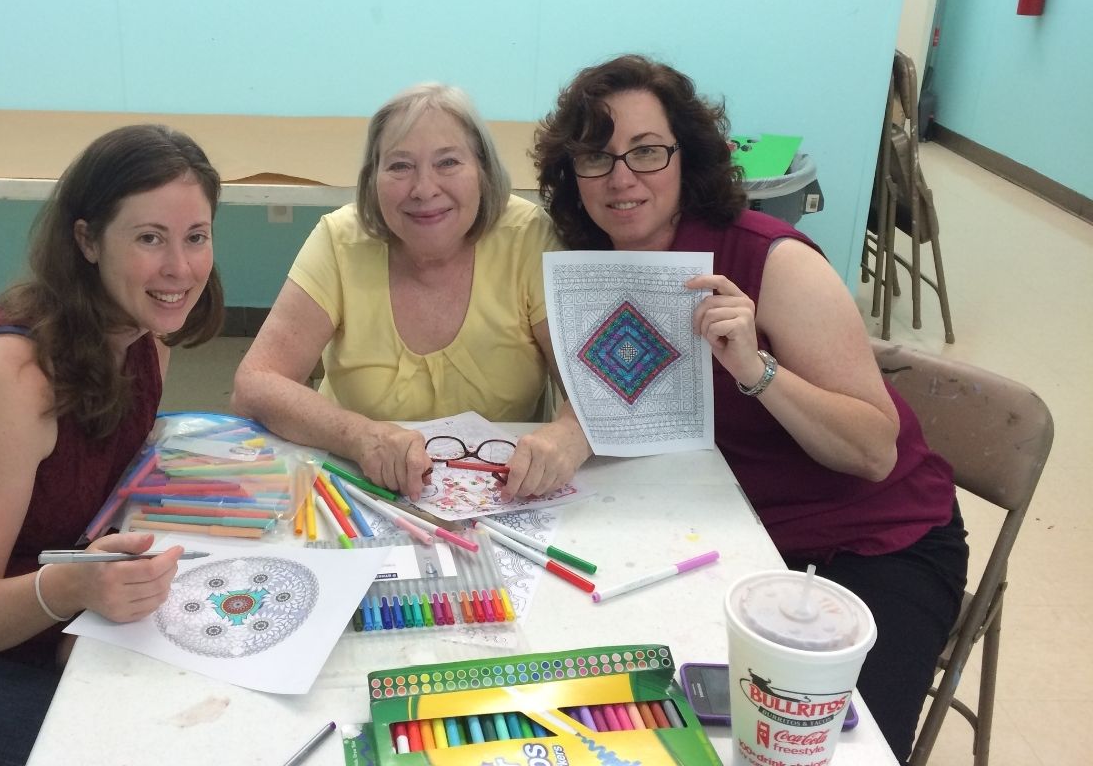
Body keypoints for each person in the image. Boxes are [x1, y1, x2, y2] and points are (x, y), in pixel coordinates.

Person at [534, 54, 968, 763]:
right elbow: (615, 417)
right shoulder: (590, 264)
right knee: (634, 718)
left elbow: (874, 451)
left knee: (821, 749)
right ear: (570, 173)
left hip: (872, 541)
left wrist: (756, 370)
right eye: (595, 156)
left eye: (646, 151)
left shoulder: (772, 260)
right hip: (734, 531)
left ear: (687, 156)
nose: (621, 177)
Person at [0, 124, 224, 765]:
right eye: (149, 238)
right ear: (87, 240)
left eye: (196, 237)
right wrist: (73, 590)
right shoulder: (12, 377)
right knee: (164, 745)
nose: (179, 269)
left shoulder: (144, 340)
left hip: (33, 628)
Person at [232, 84, 590, 500]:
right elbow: (255, 384)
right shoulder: (340, 239)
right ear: (373, 180)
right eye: (400, 166)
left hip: (502, 497)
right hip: (359, 490)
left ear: (484, 172)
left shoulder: (528, 237)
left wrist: (568, 435)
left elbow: (591, 391)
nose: (423, 188)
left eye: (448, 162)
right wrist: (361, 437)